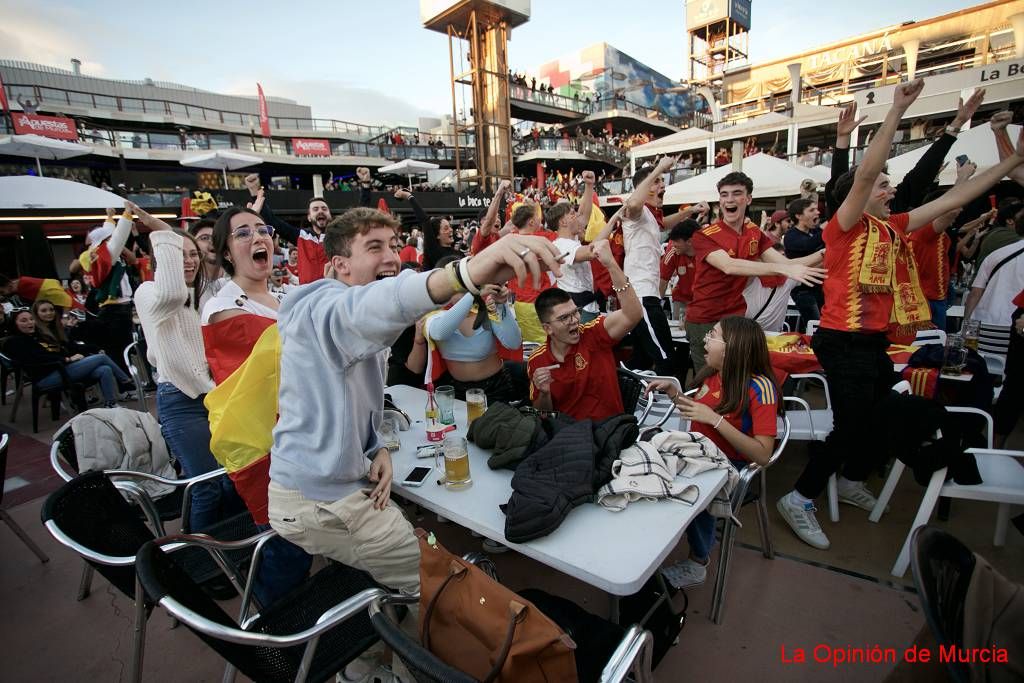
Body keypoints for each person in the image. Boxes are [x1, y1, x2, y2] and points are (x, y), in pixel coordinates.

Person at [266, 208, 564, 675]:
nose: (391, 256)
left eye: (392, 244)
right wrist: (467, 272)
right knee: (442, 587)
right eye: (374, 247)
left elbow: (347, 394)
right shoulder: (323, 309)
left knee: (382, 574)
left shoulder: (346, 322)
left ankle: (364, 664)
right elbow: (380, 305)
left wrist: (375, 447)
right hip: (325, 502)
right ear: (338, 266)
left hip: (322, 490)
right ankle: (414, 671)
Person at [778, 79, 1024, 551]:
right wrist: (896, 111)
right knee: (851, 424)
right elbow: (866, 175)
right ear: (858, 195)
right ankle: (799, 496)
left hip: (873, 342)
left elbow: (954, 199)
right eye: (886, 185)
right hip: (840, 339)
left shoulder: (893, 227)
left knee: (879, 419)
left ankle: (849, 478)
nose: (891, 190)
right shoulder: (844, 227)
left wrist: (1011, 162)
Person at [202, 206, 313, 606]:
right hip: (266, 445)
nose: (258, 237)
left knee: (307, 530)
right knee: (289, 538)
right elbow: (284, 356)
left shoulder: (284, 294)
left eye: (262, 230)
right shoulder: (223, 307)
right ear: (228, 253)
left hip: (302, 435)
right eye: (243, 233)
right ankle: (272, 625)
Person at [132, 202, 242, 533]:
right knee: (206, 486)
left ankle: (231, 547)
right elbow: (170, 294)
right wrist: (162, 232)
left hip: (214, 400)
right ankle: (196, 559)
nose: (189, 260)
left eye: (192, 253)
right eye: (179, 255)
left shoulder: (200, 303)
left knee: (234, 478)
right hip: (180, 403)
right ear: (161, 260)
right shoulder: (148, 292)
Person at [646, 317, 781, 587]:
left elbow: (763, 455)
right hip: (696, 453)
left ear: (733, 347)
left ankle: (699, 562)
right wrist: (675, 393)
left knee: (691, 489)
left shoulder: (760, 387)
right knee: (646, 462)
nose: (705, 339)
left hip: (729, 465)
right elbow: (699, 413)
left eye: (713, 335)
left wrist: (715, 420)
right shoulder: (712, 374)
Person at [685, 172, 825, 371]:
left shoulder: (753, 232)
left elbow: (787, 264)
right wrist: (782, 269)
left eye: (736, 193)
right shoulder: (704, 235)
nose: (729, 200)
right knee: (711, 384)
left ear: (748, 199)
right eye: (724, 195)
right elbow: (729, 266)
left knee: (736, 381)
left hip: (736, 320)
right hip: (706, 320)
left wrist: (825, 252)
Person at [528, 239, 643, 420]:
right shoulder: (538, 361)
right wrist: (543, 393)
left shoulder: (593, 334)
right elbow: (544, 417)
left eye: (575, 313)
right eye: (564, 318)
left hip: (609, 434)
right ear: (547, 328)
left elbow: (633, 314)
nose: (574, 321)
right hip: (569, 438)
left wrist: (611, 265)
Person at [621, 157, 705, 377]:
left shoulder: (651, 215)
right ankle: (675, 406)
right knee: (666, 358)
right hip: (641, 296)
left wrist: (690, 211)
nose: (662, 185)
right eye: (656, 182)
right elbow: (632, 204)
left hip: (644, 295)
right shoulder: (635, 211)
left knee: (642, 358)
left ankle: (619, 390)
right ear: (644, 188)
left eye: (662, 181)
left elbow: (665, 223)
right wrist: (658, 167)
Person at [423, 264, 524, 403]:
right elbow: (440, 333)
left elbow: (513, 343)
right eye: (457, 287)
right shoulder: (433, 315)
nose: (462, 291)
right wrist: (472, 295)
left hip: (496, 387)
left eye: (467, 285)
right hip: (455, 389)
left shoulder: (486, 310)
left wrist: (501, 305)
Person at [5, 309, 132, 408]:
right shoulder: (14, 342)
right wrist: (67, 360)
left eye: (31, 319)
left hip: (63, 369)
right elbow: (36, 359)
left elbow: (65, 347)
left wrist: (83, 352)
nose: (29, 323)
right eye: (24, 320)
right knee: (101, 358)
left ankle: (111, 403)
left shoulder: (38, 336)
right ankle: (127, 381)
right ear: (14, 323)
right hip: (46, 376)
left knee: (104, 369)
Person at [72, 207, 137, 373]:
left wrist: (109, 217)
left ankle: (126, 382)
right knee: (118, 348)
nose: (112, 236)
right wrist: (127, 214)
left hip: (117, 306)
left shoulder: (104, 251)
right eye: (109, 235)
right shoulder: (105, 252)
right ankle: (125, 384)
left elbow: (115, 237)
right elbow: (120, 234)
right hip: (114, 307)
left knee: (121, 346)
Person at [549, 171, 601, 323]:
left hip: (587, 306)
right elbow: (591, 252)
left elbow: (584, 214)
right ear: (563, 222)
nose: (577, 216)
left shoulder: (572, 239)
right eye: (572, 214)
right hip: (578, 310)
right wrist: (614, 221)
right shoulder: (561, 245)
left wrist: (589, 185)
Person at [783, 198, 826, 333]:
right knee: (815, 326)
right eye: (812, 210)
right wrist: (830, 228)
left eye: (817, 209)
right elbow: (809, 244)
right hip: (804, 291)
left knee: (824, 325)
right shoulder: (791, 236)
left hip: (822, 288)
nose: (817, 212)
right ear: (798, 216)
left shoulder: (816, 232)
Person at [659, 220, 699, 322]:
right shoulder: (673, 252)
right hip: (682, 299)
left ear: (689, 241)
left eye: (677, 241)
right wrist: (656, 309)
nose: (673, 244)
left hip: (704, 301)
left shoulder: (707, 252)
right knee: (679, 330)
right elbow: (662, 283)